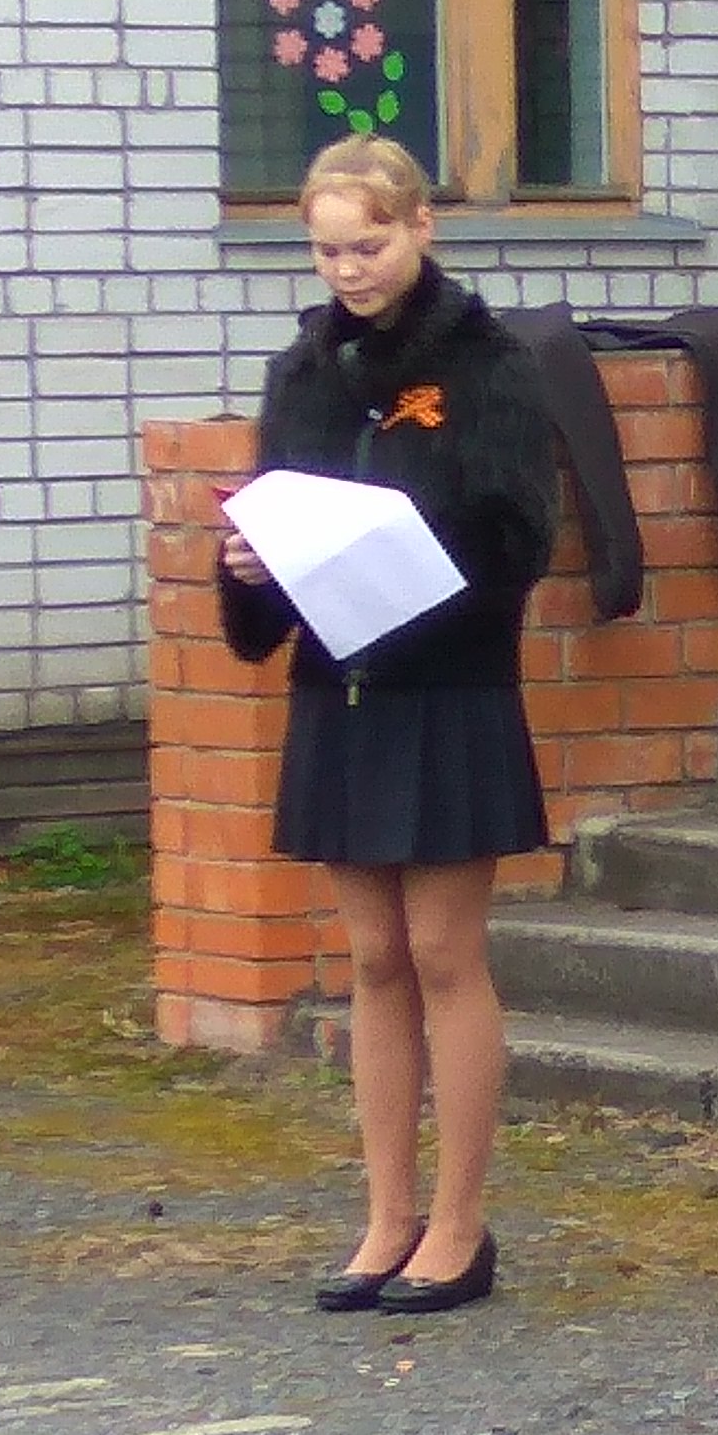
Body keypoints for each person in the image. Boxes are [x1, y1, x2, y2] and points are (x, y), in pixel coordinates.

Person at [217, 134, 563, 1317]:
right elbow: (269, 535)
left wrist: (399, 556)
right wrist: (250, 569)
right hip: (340, 687)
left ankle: (459, 1227)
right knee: (370, 959)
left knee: (442, 953)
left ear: (422, 227)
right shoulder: (303, 373)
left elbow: (518, 542)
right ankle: (385, 1218)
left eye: (367, 245)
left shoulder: (489, 364)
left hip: (447, 688)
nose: (348, 270)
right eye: (327, 252)